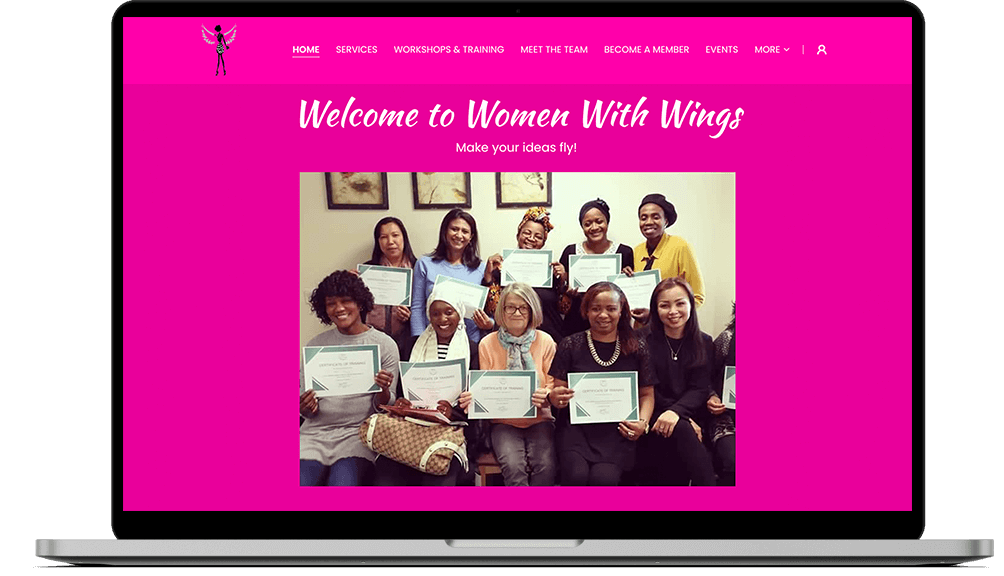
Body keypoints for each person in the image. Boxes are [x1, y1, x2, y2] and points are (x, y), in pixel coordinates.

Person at [547, 282, 655, 486]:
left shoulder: (637, 346)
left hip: (618, 432)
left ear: (622, 310)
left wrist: (642, 423)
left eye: (611, 308)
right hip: (575, 431)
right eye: (596, 308)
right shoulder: (570, 344)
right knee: (575, 476)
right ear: (586, 311)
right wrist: (556, 398)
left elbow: (647, 394)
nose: (603, 315)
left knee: (603, 480)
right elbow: (557, 391)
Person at [299, 271, 398, 486]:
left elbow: (387, 407)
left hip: (357, 436)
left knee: (341, 485)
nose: (339, 308)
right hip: (314, 435)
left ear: (360, 303)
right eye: (331, 303)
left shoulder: (385, 345)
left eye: (346, 301)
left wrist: (383, 390)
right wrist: (305, 407)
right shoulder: (315, 346)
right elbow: (305, 411)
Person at [377, 288, 481, 486]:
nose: (442, 318)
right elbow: (402, 392)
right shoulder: (410, 345)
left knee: (439, 479)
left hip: (450, 431)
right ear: (428, 316)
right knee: (386, 478)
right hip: (411, 428)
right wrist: (402, 403)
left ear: (459, 313)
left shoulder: (474, 349)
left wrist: (453, 412)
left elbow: (475, 401)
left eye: (448, 312)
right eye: (435, 313)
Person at [459, 283, 557, 486]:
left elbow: (553, 384)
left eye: (523, 307)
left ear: (532, 311)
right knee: (513, 466)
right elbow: (484, 387)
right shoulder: (487, 343)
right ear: (501, 310)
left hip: (540, 420)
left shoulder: (546, 341)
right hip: (503, 422)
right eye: (510, 307)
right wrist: (473, 398)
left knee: (546, 465)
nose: (517, 312)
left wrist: (546, 393)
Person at [634, 276, 716, 486]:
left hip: (688, 414)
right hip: (653, 414)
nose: (673, 311)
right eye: (664, 305)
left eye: (680, 303)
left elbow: (700, 388)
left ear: (691, 304)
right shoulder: (641, 340)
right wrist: (676, 415)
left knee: (680, 436)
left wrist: (678, 413)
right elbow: (644, 388)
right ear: (655, 309)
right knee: (680, 432)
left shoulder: (704, 341)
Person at [481, 207, 566, 342]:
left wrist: (563, 281)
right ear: (518, 235)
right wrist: (488, 277)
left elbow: (564, 309)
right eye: (527, 233)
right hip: (510, 341)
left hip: (548, 340)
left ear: (543, 242)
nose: (531, 239)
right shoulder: (502, 268)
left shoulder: (551, 271)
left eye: (538, 236)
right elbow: (493, 310)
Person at [411, 209, 494, 343]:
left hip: (470, 343)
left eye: (465, 231)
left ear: (471, 237)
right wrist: (417, 340)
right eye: (454, 229)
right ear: (445, 231)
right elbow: (417, 307)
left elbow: (491, 310)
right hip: (432, 341)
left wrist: (489, 324)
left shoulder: (482, 268)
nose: (459, 235)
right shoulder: (424, 264)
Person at [558, 199, 635, 339]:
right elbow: (561, 291)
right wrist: (566, 289)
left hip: (612, 324)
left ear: (607, 222)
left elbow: (628, 296)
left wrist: (628, 279)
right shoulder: (571, 252)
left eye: (599, 221)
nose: (594, 227)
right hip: (576, 323)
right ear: (582, 227)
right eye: (587, 224)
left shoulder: (624, 252)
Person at [630, 193, 706, 313]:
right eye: (643, 218)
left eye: (656, 217)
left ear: (666, 221)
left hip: (672, 326)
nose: (648, 222)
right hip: (641, 328)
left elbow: (697, 296)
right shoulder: (636, 251)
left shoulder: (680, 246)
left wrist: (674, 315)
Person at [354, 217, 416, 351]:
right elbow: (356, 306)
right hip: (372, 338)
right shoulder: (367, 270)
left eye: (395, 235)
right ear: (378, 241)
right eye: (384, 237)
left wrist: (410, 316)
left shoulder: (418, 269)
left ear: (404, 238)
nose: (390, 242)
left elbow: (426, 308)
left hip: (408, 340)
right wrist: (349, 282)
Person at [707, 302, 736, 486]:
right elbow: (705, 377)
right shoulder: (726, 340)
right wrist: (711, 396)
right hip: (726, 419)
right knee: (734, 460)